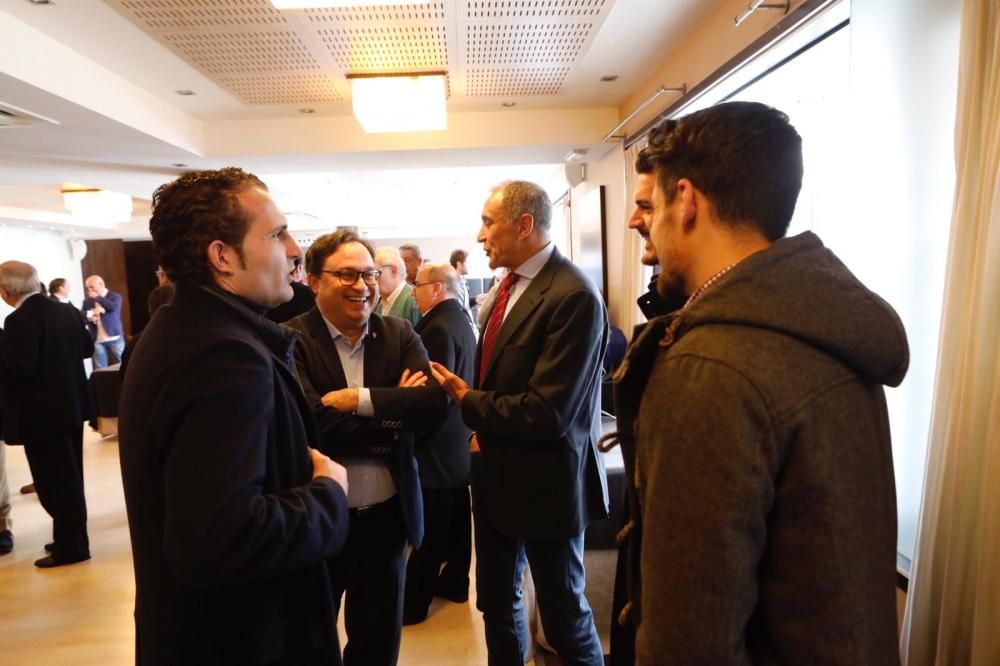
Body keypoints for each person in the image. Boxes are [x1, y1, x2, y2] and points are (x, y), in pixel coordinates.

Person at [615, 102, 908, 664]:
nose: (638, 221)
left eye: (652, 205)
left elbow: (692, 638)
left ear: (688, 201)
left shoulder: (712, 368)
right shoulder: (822, 321)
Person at [117, 168, 351, 665]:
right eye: (275, 234)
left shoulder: (179, 330)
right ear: (222, 256)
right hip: (242, 639)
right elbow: (218, 538)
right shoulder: (224, 355)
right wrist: (328, 494)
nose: (294, 250)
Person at [430, 180, 609, 666]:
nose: (481, 235)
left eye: (489, 223)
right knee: (495, 603)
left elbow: (548, 412)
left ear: (524, 225)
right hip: (494, 475)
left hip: (546, 485)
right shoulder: (502, 290)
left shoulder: (572, 295)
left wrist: (468, 402)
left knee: (564, 615)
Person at [286, 230, 447, 666]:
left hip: (386, 522)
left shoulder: (399, 334)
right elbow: (309, 426)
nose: (363, 286)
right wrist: (393, 416)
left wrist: (359, 401)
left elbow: (432, 407)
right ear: (315, 281)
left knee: (377, 644)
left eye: (370, 274)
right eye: (347, 275)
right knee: (309, 641)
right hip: (318, 520)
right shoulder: (288, 341)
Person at [0, 260, 94, 568]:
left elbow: (18, 367)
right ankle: (69, 538)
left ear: (4, 292)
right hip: (70, 408)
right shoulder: (64, 309)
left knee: (54, 483)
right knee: (69, 478)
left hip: (42, 415)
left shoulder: (19, 320)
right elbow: (86, 348)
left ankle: (73, 547)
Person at [402, 262, 477, 625]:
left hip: (437, 443)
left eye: (416, 285)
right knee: (458, 520)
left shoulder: (437, 328)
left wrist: (411, 430)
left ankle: (413, 606)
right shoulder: (459, 320)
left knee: (430, 530)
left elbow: (436, 395)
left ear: (436, 289)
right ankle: (455, 584)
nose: (412, 291)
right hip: (455, 439)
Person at [81, 274, 125, 368]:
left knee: (123, 363)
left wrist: (97, 298)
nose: (89, 290)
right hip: (97, 339)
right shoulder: (87, 301)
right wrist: (90, 318)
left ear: (101, 284)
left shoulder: (115, 296)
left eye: (92, 287)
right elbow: (83, 319)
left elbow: (113, 308)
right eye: (88, 288)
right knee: (100, 367)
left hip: (114, 337)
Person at [374, 246, 421, 327]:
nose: (373, 279)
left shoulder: (413, 301)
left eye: (376, 273)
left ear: (393, 270)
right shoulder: (380, 303)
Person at [448, 248, 478, 332]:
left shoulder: (463, 281)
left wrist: (475, 300)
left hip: (469, 327)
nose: (470, 265)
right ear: (459, 264)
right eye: (468, 262)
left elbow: (464, 305)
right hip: (460, 329)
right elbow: (458, 308)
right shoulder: (450, 284)